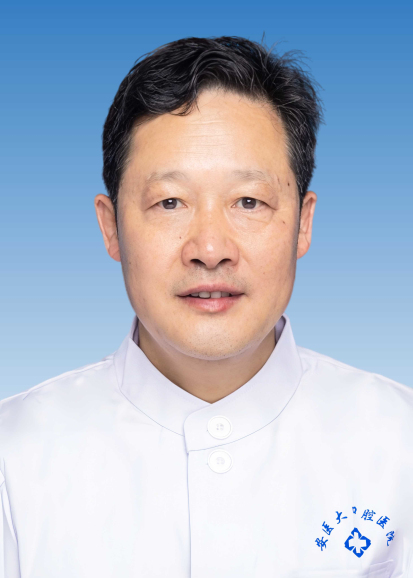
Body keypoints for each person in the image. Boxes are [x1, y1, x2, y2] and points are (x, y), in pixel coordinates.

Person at [1, 35, 412, 578]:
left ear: (303, 223)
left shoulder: (399, 444)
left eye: (249, 201)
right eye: (170, 202)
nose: (211, 249)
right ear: (111, 226)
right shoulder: (13, 459)